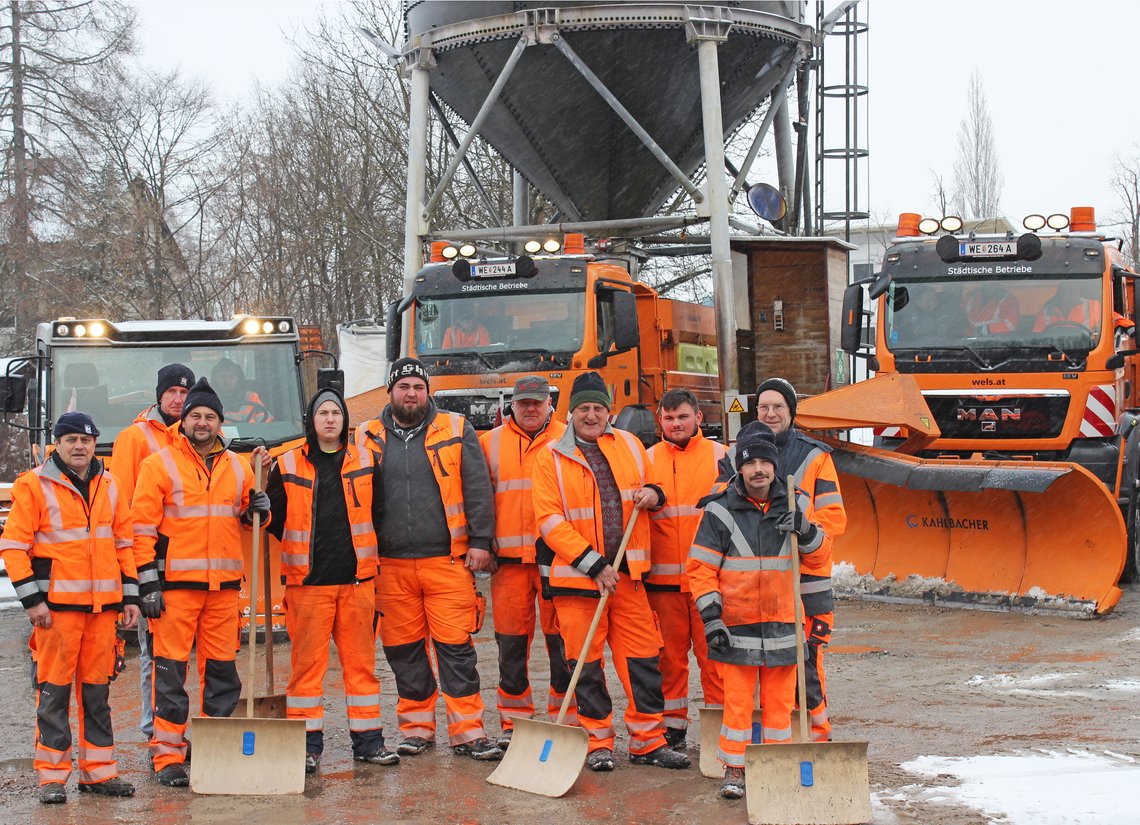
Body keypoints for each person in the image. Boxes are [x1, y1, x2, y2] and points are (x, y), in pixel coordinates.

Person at [532, 371, 690, 772]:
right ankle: (597, 742)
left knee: (642, 661)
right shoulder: (550, 457)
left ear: (609, 412)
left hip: (628, 577)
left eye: (598, 408)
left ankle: (649, 741)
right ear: (571, 413)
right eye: (583, 408)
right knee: (585, 666)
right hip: (578, 582)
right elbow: (549, 521)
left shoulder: (631, 445)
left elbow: (653, 484)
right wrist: (594, 564)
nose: (591, 415)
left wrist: (655, 494)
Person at [353, 357, 502, 761]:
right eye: (404, 387)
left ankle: (469, 733)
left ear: (427, 392)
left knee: (456, 649)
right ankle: (417, 730)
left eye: (418, 387)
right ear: (390, 392)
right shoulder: (365, 435)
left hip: (447, 561)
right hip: (389, 565)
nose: (412, 394)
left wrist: (481, 541)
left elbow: (477, 486)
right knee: (404, 652)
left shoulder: (455, 428)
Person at [132, 378, 270, 788]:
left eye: (210, 416)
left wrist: (258, 508)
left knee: (223, 674)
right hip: (175, 590)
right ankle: (168, 756)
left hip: (223, 589)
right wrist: (148, 584)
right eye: (196, 416)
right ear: (184, 420)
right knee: (171, 674)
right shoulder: (158, 464)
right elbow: (141, 529)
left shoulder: (237, 466)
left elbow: (247, 517)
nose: (203, 422)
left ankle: (214, 747)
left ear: (220, 422)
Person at [0, 412, 140, 803]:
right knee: (54, 695)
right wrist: (33, 603)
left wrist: (130, 598)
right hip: (56, 613)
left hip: (102, 612)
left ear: (95, 443)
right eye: (71, 439)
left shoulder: (110, 485)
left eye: (86, 439)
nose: (79, 446)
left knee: (97, 697)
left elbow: (124, 545)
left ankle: (98, 774)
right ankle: (52, 778)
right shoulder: (34, 485)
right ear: (57, 444)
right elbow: (14, 548)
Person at [688, 422, 830, 800]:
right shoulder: (718, 511)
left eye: (766, 462)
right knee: (736, 705)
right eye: (751, 463)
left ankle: (775, 766)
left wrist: (807, 531)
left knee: (780, 708)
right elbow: (700, 569)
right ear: (740, 466)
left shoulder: (797, 502)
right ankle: (735, 769)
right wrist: (712, 617)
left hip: (784, 625)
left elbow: (820, 558)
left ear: (775, 464)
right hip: (735, 627)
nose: (759, 470)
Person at [265, 387, 395, 774]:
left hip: (357, 583)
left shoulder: (368, 460)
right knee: (307, 669)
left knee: (362, 667)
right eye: (322, 412)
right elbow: (271, 520)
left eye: (335, 412)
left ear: (344, 419)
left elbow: (380, 513)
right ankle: (307, 746)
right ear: (312, 420)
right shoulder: (286, 464)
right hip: (308, 586)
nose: (330, 419)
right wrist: (259, 508)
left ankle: (369, 743)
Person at [478, 376, 575, 749]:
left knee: (561, 643)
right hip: (509, 565)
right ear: (512, 405)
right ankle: (513, 722)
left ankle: (564, 717)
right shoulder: (489, 444)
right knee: (511, 646)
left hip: (558, 561)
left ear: (550, 403)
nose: (531, 409)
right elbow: (478, 499)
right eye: (524, 403)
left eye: (538, 402)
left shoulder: (570, 438)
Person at [750, 377, 846, 743]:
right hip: (759, 583)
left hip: (806, 582)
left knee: (806, 666)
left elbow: (834, 517)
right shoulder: (739, 454)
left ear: (791, 411)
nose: (770, 413)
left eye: (778, 407)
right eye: (763, 407)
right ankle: (777, 738)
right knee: (764, 667)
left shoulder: (814, 457)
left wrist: (804, 529)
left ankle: (817, 738)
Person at [109, 362, 194, 744]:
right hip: (152, 563)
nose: (178, 399)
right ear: (159, 395)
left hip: (189, 563)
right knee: (154, 652)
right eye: (172, 392)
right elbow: (125, 507)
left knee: (183, 657)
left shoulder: (197, 432)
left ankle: (184, 729)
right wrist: (135, 574)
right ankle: (152, 729)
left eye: (184, 393)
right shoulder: (136, 438)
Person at [645, 388, 728, 750]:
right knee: (669, 661)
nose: (676, 423)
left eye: (682, 416)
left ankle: (722, 724)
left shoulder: (721, 457)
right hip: (662, 583)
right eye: (669, 417)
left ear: (698, 417)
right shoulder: (646, 460)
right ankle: (672, 728)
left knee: (715, 659)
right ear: (659, 420)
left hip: (709, 581)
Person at [211, 357, 272, 423]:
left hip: (252, 433)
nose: (227, 380)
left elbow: (267, 423)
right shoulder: (208, 399)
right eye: (222, 377)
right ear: (215, 379)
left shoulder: (252, 397)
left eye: (231, 376)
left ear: (238, 378)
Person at [1033, 281, 1100, 332]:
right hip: (1053, 349)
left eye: (1074, 288)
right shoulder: (1046, 311)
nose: (1072, 292)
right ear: (1059, 291)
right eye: (1067, 288)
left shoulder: (1093, 306)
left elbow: (1101, 331)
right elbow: (1038, 337)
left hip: (1089, 348)